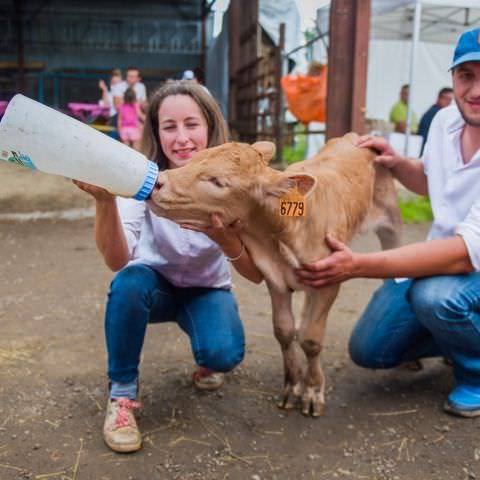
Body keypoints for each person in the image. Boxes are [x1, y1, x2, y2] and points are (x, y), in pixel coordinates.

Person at [296, 27, 480, 418]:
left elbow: (464, 255)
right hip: (440, 262)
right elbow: (433, 183)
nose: (476, 90)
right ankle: (456, 337)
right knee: (371, 350)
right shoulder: (446, 122)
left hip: (464, 266)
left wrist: (357, 265)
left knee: (437, 299)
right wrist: (396, 165)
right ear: (453, 78)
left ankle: (475, 373)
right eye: (467, 76)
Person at [74, 80, 263, 453]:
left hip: (207, 289)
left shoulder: (237, 185)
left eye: (191, 124)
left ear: (210, 127)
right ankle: (122, 396)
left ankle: (207, 349)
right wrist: (104, 202)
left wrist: (226, 238)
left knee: (223, 354)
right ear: (156, 133)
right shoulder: (144, 180)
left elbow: (257, 274)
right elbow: (117, 259)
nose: (182, 138)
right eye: (169, 127)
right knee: (127, 283)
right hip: (153, 286)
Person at [418, 87, 454, 154]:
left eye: (450, 100)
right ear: (439, 98)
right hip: (428, 150)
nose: (448, 102)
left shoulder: (436, 111)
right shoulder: (437, 113)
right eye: (446, 99)